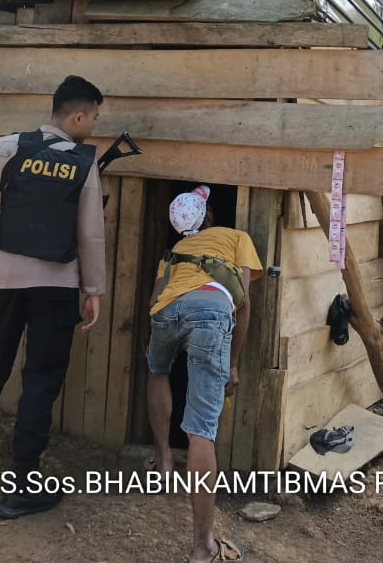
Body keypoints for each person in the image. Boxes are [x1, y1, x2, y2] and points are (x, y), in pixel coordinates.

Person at [0, 75, 106, 519]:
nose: (93, 126)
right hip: (57, 286)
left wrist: (4, 241)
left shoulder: (7, 148)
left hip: (6, 282)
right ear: (78, 116)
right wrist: (93, 291)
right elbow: (90, 235)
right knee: (41, 381)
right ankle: (23, 485)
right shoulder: (83, 162)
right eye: (94, 117)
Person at [147, 185, 262, 563]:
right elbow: (241, 303)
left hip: (165, 312)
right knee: (201, 430)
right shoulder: (237, 238)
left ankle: (164, 460)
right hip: (212, 312)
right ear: (209, 216)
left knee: (157, 369)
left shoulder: (173, 253)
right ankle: (203, 547)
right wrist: (232, 364)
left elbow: (155, 300)